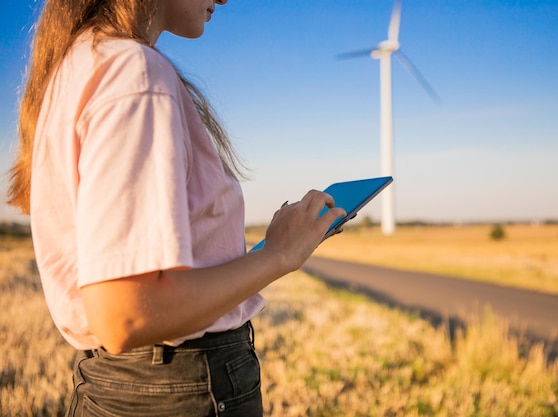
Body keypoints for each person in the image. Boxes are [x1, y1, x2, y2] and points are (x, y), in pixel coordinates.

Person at [6, 0, 346, 416]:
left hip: (122, 385)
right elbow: (127, 313)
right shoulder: (133, 72)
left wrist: (273, 242)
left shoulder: (78, 66)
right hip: (180, 388)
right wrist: (280, 256)